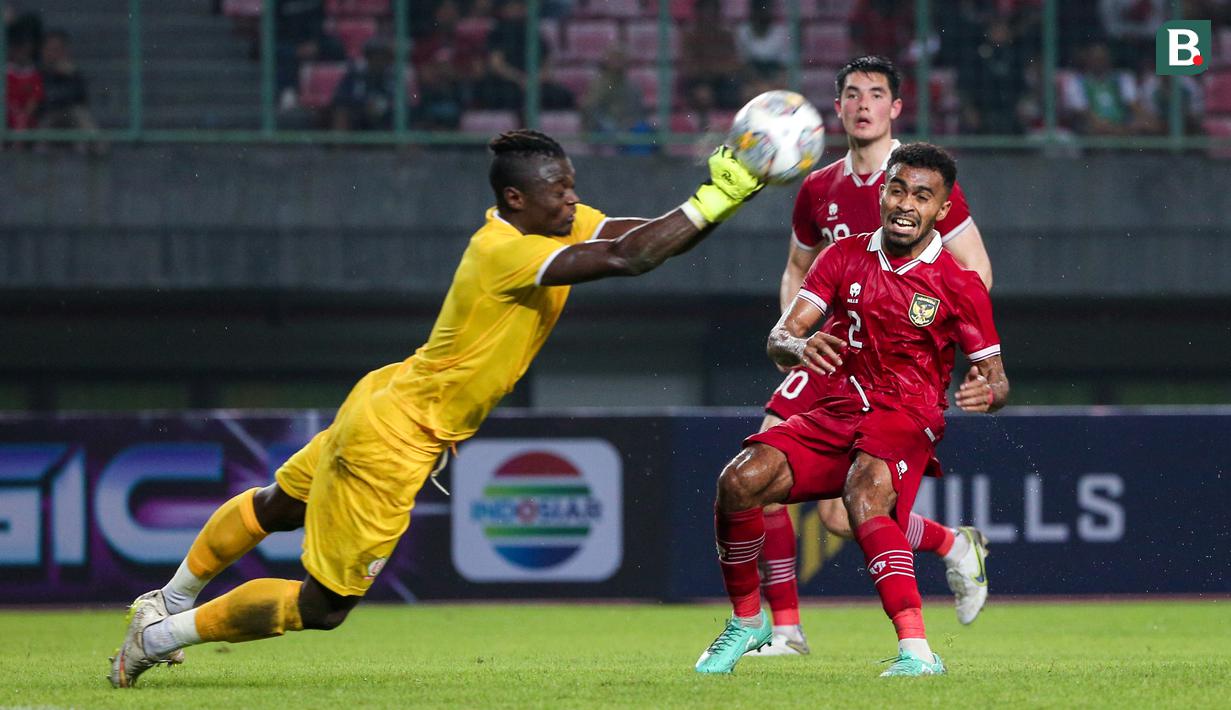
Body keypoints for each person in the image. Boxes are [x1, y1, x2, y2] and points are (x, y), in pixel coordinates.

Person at [108, 130, 766, 688]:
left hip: (387, 396)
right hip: (396, 438)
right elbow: (629, 258)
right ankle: (163, 634)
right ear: (515, 199)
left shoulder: (550, 224)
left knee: (280, 505)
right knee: (325, 605)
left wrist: (712, 206)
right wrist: (720, 195)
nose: (571, 199)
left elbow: (636, 235)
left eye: (571, 185)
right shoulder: (503, 251)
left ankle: (166, 598)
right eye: (558, 189)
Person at [695, 142, 1009, 676]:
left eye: (923, 196)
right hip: (838, 406)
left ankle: (917, 652)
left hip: (908, 415)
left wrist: (987, 393)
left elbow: (996, 380)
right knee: (739, 482)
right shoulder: (841, 256)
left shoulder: (959, 286)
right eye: (898, 189)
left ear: (942, 210)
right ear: (883, 192)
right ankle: (749, 622)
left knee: (863, 497)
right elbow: (781, 335)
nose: (906, 204)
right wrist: (797, 346)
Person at [744, 56, 993, 658]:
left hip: (896, 373)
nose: (862, 105)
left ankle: (952, 546)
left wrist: (948, 352)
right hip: (830, 358)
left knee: (842, 517)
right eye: (851, 93)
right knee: (760, 477)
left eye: (875, 94)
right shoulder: (818, 187)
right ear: (835, 108)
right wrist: (795, 341)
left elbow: (975, 272)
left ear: (895, 108)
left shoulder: (923, 179)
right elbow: (796, 270)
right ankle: (786, 631)